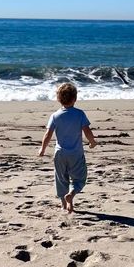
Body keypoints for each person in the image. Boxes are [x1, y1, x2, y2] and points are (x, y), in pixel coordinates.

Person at [38, 82, 96, 213]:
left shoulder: (55, 116)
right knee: (79, 178)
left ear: (58, 99)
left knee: (61, 178)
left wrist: (42, 149)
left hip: (60, 153)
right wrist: (92, 142)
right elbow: (87, 131)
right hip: (76, 153)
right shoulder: (79, 114)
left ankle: (64, 204)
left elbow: (48, 134)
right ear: (75, 98)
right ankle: (72, 194)